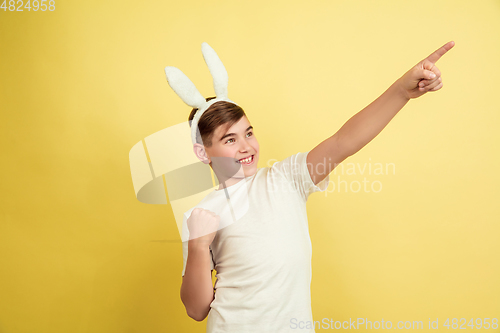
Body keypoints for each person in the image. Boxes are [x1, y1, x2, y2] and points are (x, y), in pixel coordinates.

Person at [169, 41, 455, 332]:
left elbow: (344, 142)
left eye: (249, 133)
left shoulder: (285, 178)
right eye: (230, 140)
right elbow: (196, 309)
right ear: (203, 153)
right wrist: (198, 245)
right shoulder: (200, 214)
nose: (246, 146)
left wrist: (401, 92)